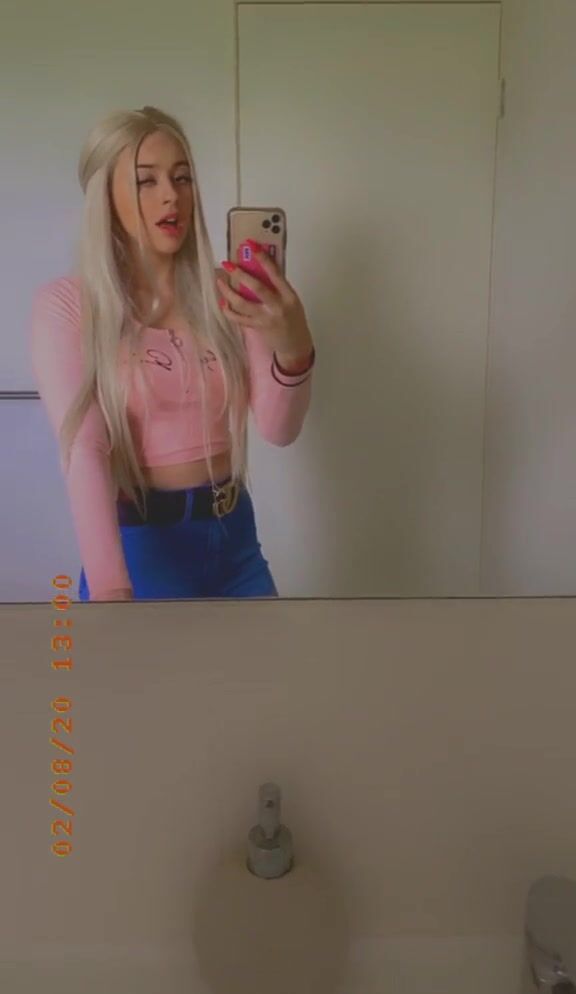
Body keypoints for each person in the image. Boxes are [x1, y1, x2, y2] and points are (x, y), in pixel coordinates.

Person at [29, 106, 315, 602]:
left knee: (267, 657)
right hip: (142, 548)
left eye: (182, 177)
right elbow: (86, 449)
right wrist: (111, 589)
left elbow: (279, 430)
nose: (171, 195)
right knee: (139, 659)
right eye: (147, 180)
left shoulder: (227, 295)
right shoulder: (69, 305)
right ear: (105, 196)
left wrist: (293, 347)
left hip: (234, 541)